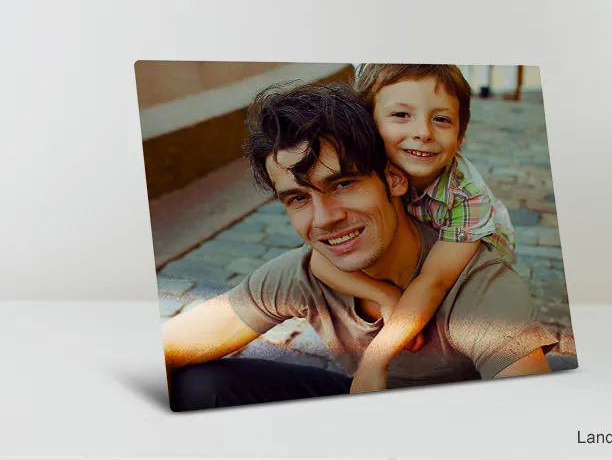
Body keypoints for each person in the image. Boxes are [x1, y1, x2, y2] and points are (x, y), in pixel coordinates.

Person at [162, 80, 558, 412]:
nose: (324, 218)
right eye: (298, 198)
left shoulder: (479, 288)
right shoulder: (305, 273)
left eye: (343, 184)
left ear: (395, 179)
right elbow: (167, 347)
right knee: (200, 385)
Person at [309, 64, 516, 393]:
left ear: (460, 136)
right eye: (402, 115)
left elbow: (435, 281)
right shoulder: (367, 171)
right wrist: (384, 294)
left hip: (464, 258)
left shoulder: (468, 197)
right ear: (369, 124)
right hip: (414, 249)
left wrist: (377, 359)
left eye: (442, 119)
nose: (424, 132)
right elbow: (318, 261)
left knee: (444, 306)